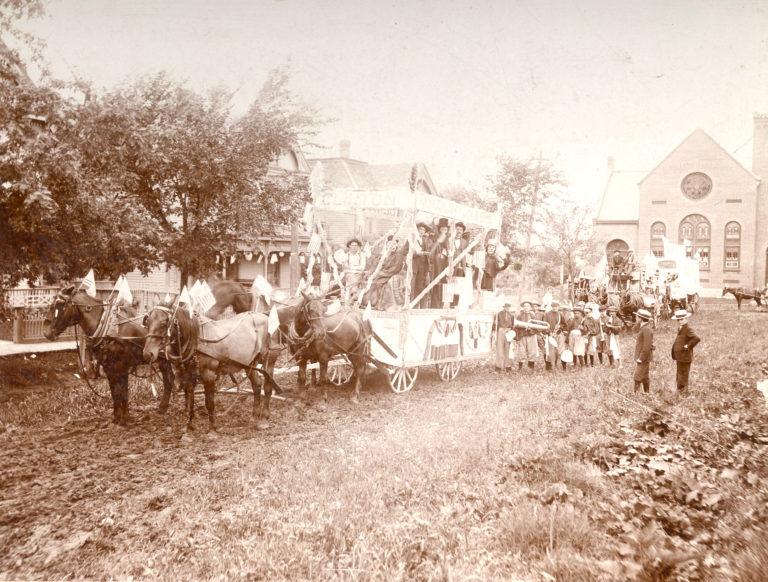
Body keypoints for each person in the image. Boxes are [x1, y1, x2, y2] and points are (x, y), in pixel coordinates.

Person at [670, 309, 700, 394]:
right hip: (680, 356)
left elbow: (696, 338)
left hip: (685, 357)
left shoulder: (688, 328)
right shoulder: (681, 328)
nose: (680, 321)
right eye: (678, 320)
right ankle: (680, 391)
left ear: (686, 319)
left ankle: (683, 393)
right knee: (679, 374)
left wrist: (688, 346)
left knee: (683, 375)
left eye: (682, 319)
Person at [335, 238, 367, 304]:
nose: (354, 247)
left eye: (356, 246)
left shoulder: (362, 255)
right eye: (353, 245)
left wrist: (351, 267)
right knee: (350, 277)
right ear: (349, 246)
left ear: (358, 247)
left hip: (359, 274)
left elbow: (362, 267)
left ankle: (351, 297)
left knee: (355, 277)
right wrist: (355, 268)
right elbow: (345, 268)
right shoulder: (346, 256)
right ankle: (353, 295)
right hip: (348, 274)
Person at [429, 218, 451, 308]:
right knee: (436, 283)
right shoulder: (435, 238)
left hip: (445, 265)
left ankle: (443, 305)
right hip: (436, 265)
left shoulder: (448, 240)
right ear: (439, 230)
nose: (444, 231)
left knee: (445, 284)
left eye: (445, 229)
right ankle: (435, 305)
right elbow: (431, 251)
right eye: (442, 229)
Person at [412, 222, 433, 308]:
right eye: (420, 229)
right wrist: (417, 253)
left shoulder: (425, 241)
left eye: (423, 230)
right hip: (413, 267)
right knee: (412, 287)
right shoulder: (412, 239)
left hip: (423, 268)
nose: (421, 231)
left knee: (420, 287)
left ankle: (418, 307)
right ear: (417, 230)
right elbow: (405, 252)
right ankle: (411, 306)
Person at [633, 308, 654, 393]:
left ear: (641, 319)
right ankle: (647, 393)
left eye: (637, 317)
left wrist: (641, 358)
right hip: (645, 357)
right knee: (645, 376)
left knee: (637, 376)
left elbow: (647, 346)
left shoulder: (646, 329)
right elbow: (633, 329)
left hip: (644, 357)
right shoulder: (643, 327)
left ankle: (636, 395)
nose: (636, 318)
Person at [515, 300, 539, 371]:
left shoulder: (533, 315)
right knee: (521, 351)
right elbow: (516, 327)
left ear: (530, 307)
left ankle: (531, 367)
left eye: (527, 306)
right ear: (523, 307)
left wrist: (531, 329)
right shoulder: (519, 315)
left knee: (532, 351)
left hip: (531, 335)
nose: (526, 307)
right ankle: (520, 367)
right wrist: (517, 337)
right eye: (524, 306)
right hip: (522, 335)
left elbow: (537, 326)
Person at [494, 301, 515, 372]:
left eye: (508, 307)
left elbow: (513, 325)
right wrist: (495, 332)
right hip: (501, 330)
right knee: (499, 348)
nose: (507, 308)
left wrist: (511, 332)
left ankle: (508, 366)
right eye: (506, 307)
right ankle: (498, 366)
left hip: (508, 331)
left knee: (508, 348)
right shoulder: (498, 314)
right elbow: (495, 324)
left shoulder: (511, 315)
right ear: (503, 307)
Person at [542, 300, 563, 372]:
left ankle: (555, 364)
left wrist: (559, 329)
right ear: (551, 307)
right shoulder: (547, 314)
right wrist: (549, 332)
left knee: (557, 351)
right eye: (553, 307)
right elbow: (544, 324)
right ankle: (548, 366)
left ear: (558, 307)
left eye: (556, 307)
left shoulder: (560, 314)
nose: (555, 308)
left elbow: (564, 325)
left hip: (557, 335)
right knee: (549, 351)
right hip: (549, 334)